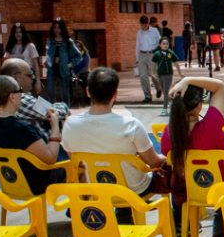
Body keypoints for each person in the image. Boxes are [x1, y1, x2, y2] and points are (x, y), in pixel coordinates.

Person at [62, 68, 166, 221]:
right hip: (133, 190)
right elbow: (154, 162)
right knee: (164, 169)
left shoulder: (70, 124)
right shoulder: (131, 125)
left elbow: (75, 160)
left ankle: (123, 214)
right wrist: (167, 158)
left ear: (88, 91)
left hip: (95, 188)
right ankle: (178, 219)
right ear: (115, 94)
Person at [160, 76, 224, 237]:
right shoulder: (212, 125)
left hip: (191, 190)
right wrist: (188, 79)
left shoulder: (169, 133)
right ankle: (222, 229)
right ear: (198, 106)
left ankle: (183, 225)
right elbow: (219, 86)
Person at [0, 75, 67, 195]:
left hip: (10, 180)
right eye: (20, 91)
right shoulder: (21, 128)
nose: (22, 94)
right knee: (78, 162)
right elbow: (50, 159)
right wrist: (55, 125)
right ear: (12, 97)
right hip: (38, 183)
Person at [0, 58, 69, 131]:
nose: (33, 77)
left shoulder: (6, 97)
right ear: (17, 77)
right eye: (29, 74)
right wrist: (64, 106)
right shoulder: (22, 100)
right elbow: (57, 112)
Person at [43, 18, 80, 105]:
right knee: (50, 93)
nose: (57, 30)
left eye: (59, 27)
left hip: (64, 71)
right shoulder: (50, 41)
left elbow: (78, 56)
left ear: (62, 28)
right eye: (55, 27)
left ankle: (66, 111)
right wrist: (46, 61)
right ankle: (52, 111)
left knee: (65, 95)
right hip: (51, 70)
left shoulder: (68, 42)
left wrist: (70, 65)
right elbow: (48, 53)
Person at [3, 22, 42, 91]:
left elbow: (36, 65)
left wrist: (38, 82)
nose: (18, 34)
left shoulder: (30, 46)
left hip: (27, 79)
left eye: (20, 32)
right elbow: (6, 63)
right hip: (14, 80)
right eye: (16, 32)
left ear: (23, 33)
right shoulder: (10, 47)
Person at [152, 36, 183, 116]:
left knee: (166, 91)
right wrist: (153, 73)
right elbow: (154, 64)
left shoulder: (170, 53)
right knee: (165, 92)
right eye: (163, 43)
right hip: (160, 75)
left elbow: (176, 62)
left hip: (168, 74)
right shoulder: (157, 54)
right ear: (160, 45)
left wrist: (180, 73)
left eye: (167, 44)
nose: (165, 45)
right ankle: (173, 105)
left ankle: (164, 109)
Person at [135, 14, 161, 103]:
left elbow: (160, 42)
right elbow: (137, 46)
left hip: (152, 54)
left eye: (145, 24)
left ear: (148, 23)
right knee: (143, 77)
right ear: (140, 24)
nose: (144, 26)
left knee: (153, 75)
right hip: (142, 55)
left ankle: (158, 88)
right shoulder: (139, 33)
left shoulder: (154, 31)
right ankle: (147, 96)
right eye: (142, 24)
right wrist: (137, 59)